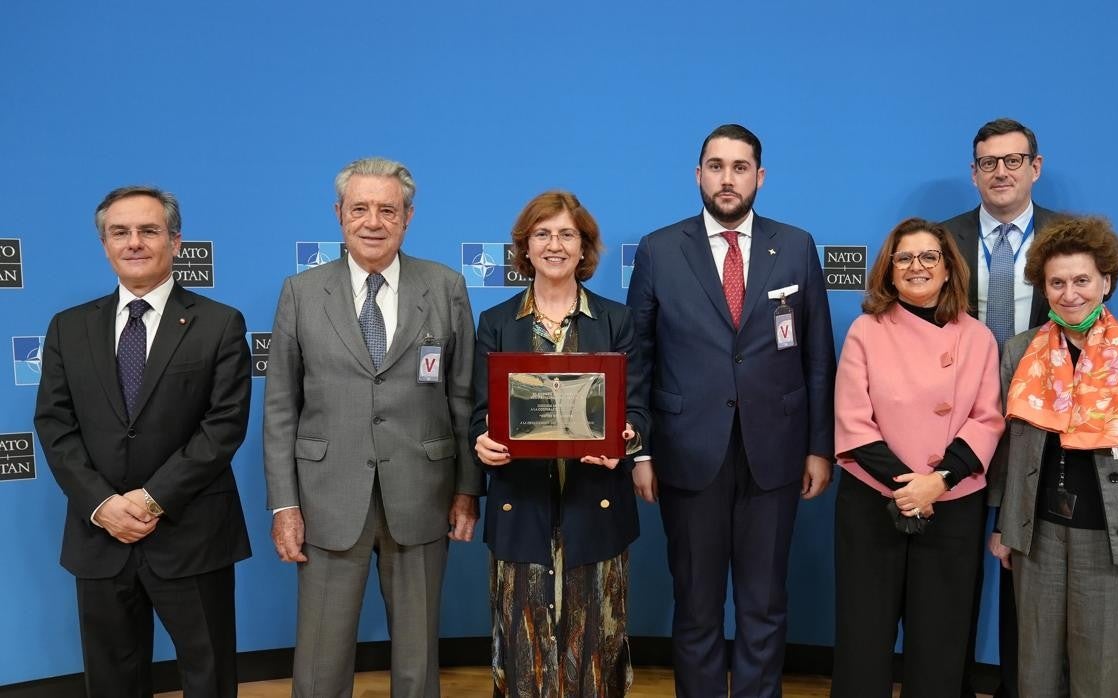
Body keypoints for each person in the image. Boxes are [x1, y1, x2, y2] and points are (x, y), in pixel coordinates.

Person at [626, 123, 835, 697]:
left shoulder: (795, 245)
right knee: (695, 606)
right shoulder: (659, 249)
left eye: (740, 167)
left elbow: (818, 357)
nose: (727, 178)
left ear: (759, 177)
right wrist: (638, 450)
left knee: (764, 605)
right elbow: (637, 361)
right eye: (715, 166)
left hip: (777, 455)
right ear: (697, 175)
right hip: (686, 455)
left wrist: (820, 446)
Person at [263, 157, 480, 697]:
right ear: (339, 214)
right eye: (360, 208)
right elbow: (281, 409)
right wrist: (284, 505)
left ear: (408, 217)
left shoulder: (446, 286)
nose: (373, 221)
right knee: (319, 658)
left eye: (388, 209)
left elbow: (462, 396)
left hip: (423, 494)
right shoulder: (301, 292)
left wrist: (467, 489)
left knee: (418, 652)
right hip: (328, 499)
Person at [34, 185, 252, 696]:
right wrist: (103, 504)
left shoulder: (219, 324)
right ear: (105, 244)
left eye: (149, 230)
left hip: (191, 534)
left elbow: (223, 427)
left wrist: (152, 500)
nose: (135, 242)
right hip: (99, 536)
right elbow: (55, 426)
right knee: (111, 679)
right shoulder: (68, 329)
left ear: (176, 243)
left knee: (209, 675)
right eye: (120, 232)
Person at [995, 216, 1118, 697]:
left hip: (1116, 543)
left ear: (1106, 281)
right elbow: (1007, 453)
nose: (1070, 294)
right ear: (1043, 287)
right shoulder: (1020, 351)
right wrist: (1003, 526)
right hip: (1036, 537)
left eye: (1082, 280)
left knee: (1099, 678)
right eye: (1057, 282)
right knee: (1035, 673)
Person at [471, 191, 649, 697]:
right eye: (542, 234)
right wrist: (481, 440)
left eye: (566, 234)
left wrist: (627, 438)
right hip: (520, 503)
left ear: (583, 247)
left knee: (594, 647)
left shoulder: (616, 320)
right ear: (525, 248)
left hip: (596, 503)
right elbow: (479, 413)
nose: (554, 245)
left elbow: (636, 409)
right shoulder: (497, 323)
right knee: (524, 648)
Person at [833, 217, 1005, 697]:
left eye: (930, 256)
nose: (917, 266)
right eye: (904, 258)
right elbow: (852, 422)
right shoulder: (865, 331)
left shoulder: (978, 338)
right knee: (863, 636)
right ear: (889, 271)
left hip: (952, 505)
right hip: (873, 503)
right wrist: (910, 486)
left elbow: (987, 420)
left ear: (949, 268)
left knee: (941, 640)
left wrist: (938, 481)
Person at [942, 118, 1059, 698]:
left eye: (1013, 160)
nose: (1001, 172)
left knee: (1029, 587)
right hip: (955, 430)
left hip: (1045, 433)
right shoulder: (939, 242)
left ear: (1035, 167)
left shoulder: (1069, 238)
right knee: (954, 581)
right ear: (974, 173)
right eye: (989, 163)